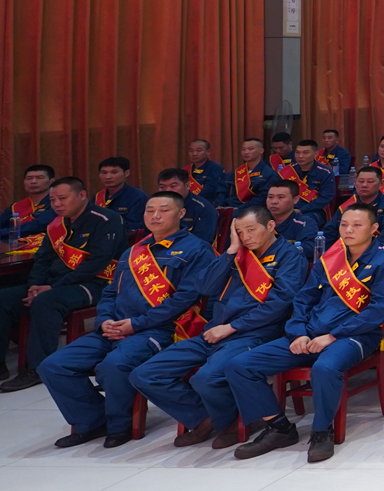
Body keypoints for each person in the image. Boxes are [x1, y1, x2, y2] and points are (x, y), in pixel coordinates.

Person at [226, 201, 384, 462]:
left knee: (325, 368)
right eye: (344, 224)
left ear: (374, 228)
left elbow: (378, 310)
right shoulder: (330, 258)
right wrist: (298, 332)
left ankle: (321, 432)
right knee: (239, 365)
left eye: (357, 225)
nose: (348, 230)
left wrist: (332, 336)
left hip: (354, 335)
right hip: (310, 333)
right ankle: (279, 428)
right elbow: (303, 298)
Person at [41, 191, 217, 448]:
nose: (155, 216)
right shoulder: (134, 250)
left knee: (114, 365)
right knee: (53, 365)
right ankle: (91, 421)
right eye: (149, 210)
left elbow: (184, 300)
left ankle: (119, 425)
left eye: (164, 210)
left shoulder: (198, 250)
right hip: (114, 328)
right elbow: (110, 292)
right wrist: (104, 320)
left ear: (181, 213)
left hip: (159, 330)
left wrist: (136, 324)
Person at [131, 203, 309, 449]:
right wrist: (231, 251)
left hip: (254, 334)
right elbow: (205, 287)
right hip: (215, 332)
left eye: (251, 230)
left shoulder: (290, 256)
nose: (246, 237)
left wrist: (232, 327)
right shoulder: (238, 254)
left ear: (270, 225)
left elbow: (278, 305)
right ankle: (207, 418)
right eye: (240, 232)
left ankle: (231, 424)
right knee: (144, 374)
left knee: (206, 378)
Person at [0, 177, 124, 392]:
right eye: (53, 200)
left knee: (46, 301)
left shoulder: (106, 219)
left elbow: (97, 262)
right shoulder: (56, 224)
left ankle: (36, 368)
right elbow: (43, 259)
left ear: (82, 195)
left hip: (97, 283)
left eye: (62, 198)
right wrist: (34, 286)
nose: (57, 204)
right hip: (56, 283)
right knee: (4, 299)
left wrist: (52, 288)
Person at [226, 138, 279, 209]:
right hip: (231, 207)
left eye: (251, 149)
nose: (246, 152)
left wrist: (240, 209)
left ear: (261, 151)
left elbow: (262, 198)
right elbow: (223, 191)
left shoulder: (269, 174)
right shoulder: (235, 173)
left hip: (254, 210)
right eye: (243, 149)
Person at [184, 141, 229, 205]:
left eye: (199, 150)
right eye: (191, 151)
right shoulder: (185, 170)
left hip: (206, 204)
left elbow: (209, 191)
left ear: (208, 152)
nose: (194, 154)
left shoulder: (215, 168)